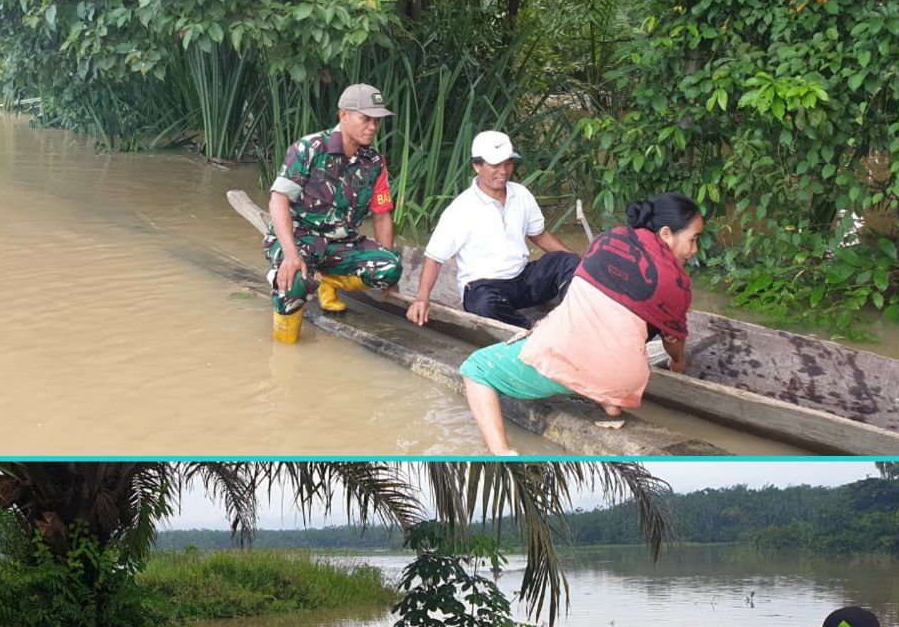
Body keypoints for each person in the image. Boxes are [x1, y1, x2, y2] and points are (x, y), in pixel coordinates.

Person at [458, 192, 702, 454]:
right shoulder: (678, 285)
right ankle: (610, 402)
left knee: (476, 369)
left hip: (574, 358)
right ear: (665, 234)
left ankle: (501, 453)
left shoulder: (609, 239)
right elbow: (673, 339)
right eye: (693, 239)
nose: (694, 249)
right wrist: (678, 362)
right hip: (625, 378)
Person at [264, 83, 402, 344]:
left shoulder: (373, 162)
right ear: (344, 115)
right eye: (366, 118)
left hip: (341, 244)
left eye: (377, 120)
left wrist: (386, 274)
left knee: (390, 268)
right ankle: (284, 352)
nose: (373, 126)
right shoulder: (309, 149)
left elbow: (382, 215)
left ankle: (329, 282)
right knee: (292, 286)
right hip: (300, 238)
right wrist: (291, 256)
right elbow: (278, 201)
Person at [406, 130, 579, 330]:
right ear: (477, 166)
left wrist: (582, 267)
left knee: (569, 261)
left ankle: (575, 316)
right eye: (496, 165)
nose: (504, 171)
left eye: (508, 163)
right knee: (482, 303)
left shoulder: (521, 194)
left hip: (522, 279)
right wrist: (422, 298)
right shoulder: (461, 209)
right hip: (486, 287)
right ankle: (530, 329)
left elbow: (539, 235)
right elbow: (434, 258)